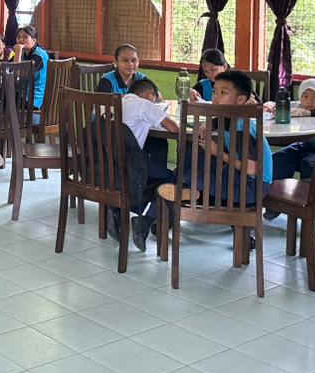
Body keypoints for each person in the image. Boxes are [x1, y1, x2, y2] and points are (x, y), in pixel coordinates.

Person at [108, 77, 179, 252]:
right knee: (172, 179)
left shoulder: (118, 101)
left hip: (110, 162)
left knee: (156, 160)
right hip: (131, 164)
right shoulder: (143, 104)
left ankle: (117, 209)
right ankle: (146, 220)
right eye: (155, 100)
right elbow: (174, 128)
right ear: (149, 94)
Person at [184, 70, 272, 208]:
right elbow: (216, 121)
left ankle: (189, 194)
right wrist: (207, 123)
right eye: (214, 91)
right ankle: (190, 191)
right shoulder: (228, 117)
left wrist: (218, 152)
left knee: (195, 171)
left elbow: (252, 169)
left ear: (240, 100)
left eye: (223, 92)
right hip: (238, 178)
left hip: (251, 188)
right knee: (195, 156)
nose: (215, 96)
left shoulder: (241, 127)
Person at [266, 78, 315, 184]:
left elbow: (307, 112)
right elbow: (278, 103)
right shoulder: (300, 105)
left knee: (308, 164)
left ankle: (310, 192)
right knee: (277, 159)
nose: (309, 101)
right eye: (305, 96)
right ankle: (275, 188)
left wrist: (296, 111)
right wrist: (270, 106)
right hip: (304, 145)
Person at [15, 25, 50, 120]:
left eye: (25, 37)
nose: (21, 39)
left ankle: (9, 127)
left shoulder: (39, 55)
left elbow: (16, 72)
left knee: (0, 99)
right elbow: (8, 68)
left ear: (33, 40)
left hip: (33, 98)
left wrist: (18, 49)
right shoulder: (25, 53)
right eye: (19, 37)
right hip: (23, 93)